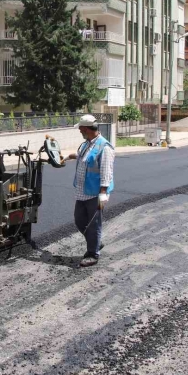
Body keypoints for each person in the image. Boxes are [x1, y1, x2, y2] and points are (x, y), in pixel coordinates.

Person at [65, 114, 115, 267]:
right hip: (82, 192)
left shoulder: (104, 147)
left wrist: (103, 194)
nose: (79, 130)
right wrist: (67, 156)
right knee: (80, 221)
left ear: (86, 129)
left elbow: (106, 173)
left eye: (80, 128)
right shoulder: (86, 144)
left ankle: (93, 253)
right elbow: (81, 156)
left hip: (94, 193)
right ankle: (96, 242)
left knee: (94, 224)